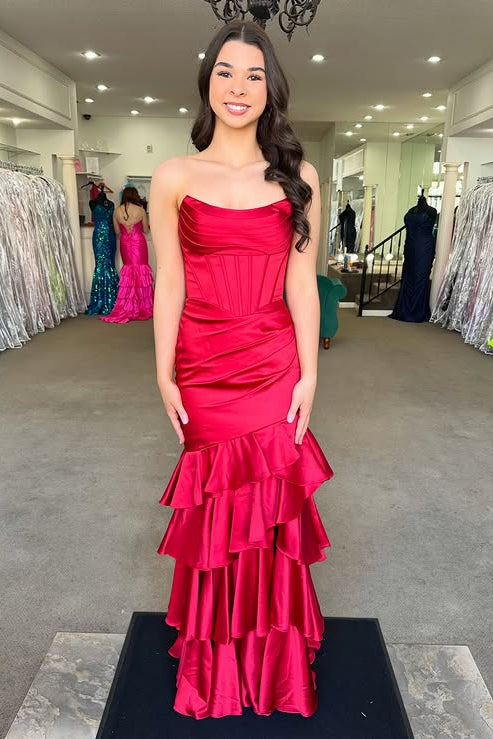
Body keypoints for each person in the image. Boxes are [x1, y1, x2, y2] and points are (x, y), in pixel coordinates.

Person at [149, 20, 333, 720]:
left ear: (270, 89)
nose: (238, 87)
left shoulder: (298, 178)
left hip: (273, 363)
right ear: (207, 82)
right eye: (225, 72)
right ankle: (218, 669)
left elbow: (301, 286)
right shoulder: (174, 176)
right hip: (202, 366)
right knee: (217, 511)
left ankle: (272, 667)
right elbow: (169, 281)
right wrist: (163, 373)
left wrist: (309, 374)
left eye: (254, 75)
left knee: (271, 508)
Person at [100, 186, 153, 323]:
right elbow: (146, 230)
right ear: (135, 196)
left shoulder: (117, 211)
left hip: (125, 243)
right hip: (138, 242)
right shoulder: (140, 210)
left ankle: (128, 305)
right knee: (141, 270)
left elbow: (117, 232)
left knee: (129, 271)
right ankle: (142, 305)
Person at [390, 195, 438, 322]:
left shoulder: (430, 211)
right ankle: (407, 310)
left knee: (420, 276)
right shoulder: (413, 210)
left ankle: (417, 310)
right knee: (409, 276)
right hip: (412, 247)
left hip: (423, 248)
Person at [86, 188, 119, 315]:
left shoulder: (112, 204)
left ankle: (112, 298)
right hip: (99, 238)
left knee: (110, 265)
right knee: (100, 265)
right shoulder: (92, 203)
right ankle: (100, 299)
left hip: (111, 237)